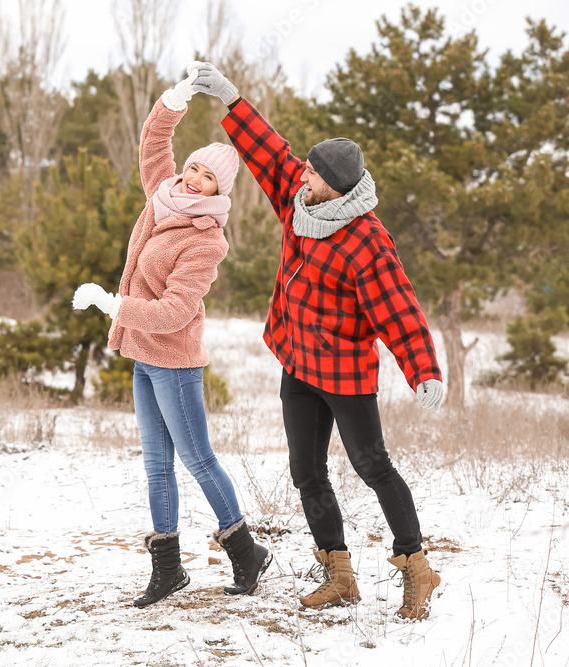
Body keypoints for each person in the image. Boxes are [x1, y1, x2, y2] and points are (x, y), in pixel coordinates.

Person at [190, 62, 445, 621]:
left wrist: (423, 370)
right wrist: (233, 100)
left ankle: (418, 566)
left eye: (313, 172)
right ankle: (340, 575)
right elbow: (269, 151)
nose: (301, 174)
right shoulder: (300, 201)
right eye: (303, 169)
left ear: (336, 183)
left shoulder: (366, 241)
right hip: (298, 364)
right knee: (306, 470)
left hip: (346, 373)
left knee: (372, 464)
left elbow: (399, 309)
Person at [72, 65, 271, 609]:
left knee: (198, 459)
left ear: (219, 189)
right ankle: (167, 570)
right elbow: (153, 140)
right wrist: (177, 98)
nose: (191, 178)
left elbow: (174, 312)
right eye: (191, 167)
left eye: (205, 176)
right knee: (155, 464)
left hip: (176, 364)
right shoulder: (161, 195)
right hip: (142, 358)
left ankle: (246, 552)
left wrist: (113, 304)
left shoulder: (207, 240)